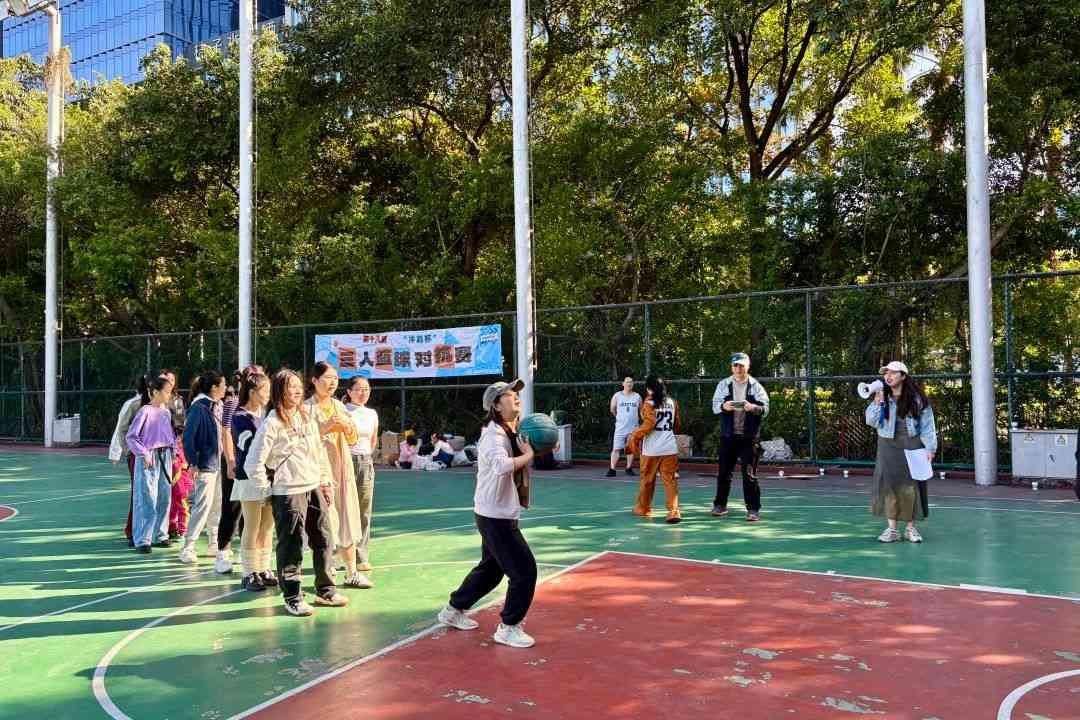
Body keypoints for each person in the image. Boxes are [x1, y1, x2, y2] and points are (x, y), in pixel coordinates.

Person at [437, 378, 538, 649]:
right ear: (496, 405)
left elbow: (519, 454)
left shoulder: (509, 431)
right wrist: (529, 455)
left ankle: (453, 610)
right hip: (495, 516)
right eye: (509, 395)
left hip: (495, 511)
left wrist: (537, 446)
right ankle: (509, 628)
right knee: (524, 571)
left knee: (491, 571)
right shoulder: (493, 436)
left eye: (516, 394)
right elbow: (502, 466)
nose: (516, 397)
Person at [245, 369, 348, 616]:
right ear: (280, 391)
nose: (297, 391)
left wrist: (324, 481)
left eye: (298, 386)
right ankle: (292, 595)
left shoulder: (306, 416)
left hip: (313, 486)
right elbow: (253, 463)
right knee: (291, 544)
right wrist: (266, 490)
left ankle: (326, 589)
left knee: (324, 538)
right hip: (288, 491)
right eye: (291, 387)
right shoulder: (272, 422)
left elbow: (318, 452)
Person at [304, 362, 370, 589]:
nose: (332, 382)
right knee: (323, 521)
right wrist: (326, 427)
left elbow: (352, 439)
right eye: (327, 378)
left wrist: (347, 428)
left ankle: (351, 572)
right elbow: (302, 441)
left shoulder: (340, 406)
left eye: (335, 378)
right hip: (318, 472)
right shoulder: (306, 408)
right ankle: (327, 572)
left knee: (347, 518)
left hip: (342, 470)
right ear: (314, 381)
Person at [866, 361, 937, 543]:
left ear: (903, 376)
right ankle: (892, 530)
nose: (888, 376)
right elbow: (871, 421)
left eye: (893, 373)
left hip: (913, 444)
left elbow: (928, 425)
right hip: (887, 445)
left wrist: (930, 448)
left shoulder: (917, 399)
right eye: (886, 373)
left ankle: (910, 529)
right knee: (889, 486)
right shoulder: (882, 396)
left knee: (912, 486)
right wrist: (877, 402)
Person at [214, 364, 264, 573]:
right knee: (231, 508)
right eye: (254, 376)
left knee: (251, 514)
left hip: (255, 466)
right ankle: (223, 553)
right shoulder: (233, 403)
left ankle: (249, 557)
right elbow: (226, 432)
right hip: (236, 462)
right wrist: (230, 461)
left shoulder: (264, 407)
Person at [230, 371, 277, 591]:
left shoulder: (266, 416)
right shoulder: (240, 417)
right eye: (264, 390)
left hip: (270, 476)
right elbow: (248, 447)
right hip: (249, 477)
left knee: (267, 526)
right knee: (252, 525)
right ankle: (249, 572)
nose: (268, 394)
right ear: (251, 392)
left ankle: (264, 568)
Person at [711, 352, 770, 521]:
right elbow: (715, 406)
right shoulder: (724, 384)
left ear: (747, 367)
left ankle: (753, 509)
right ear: (731, 367)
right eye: (735, 365)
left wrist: (753, 407)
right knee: (724, 473)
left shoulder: (755, 386)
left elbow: (765, 409)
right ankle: (720, 505)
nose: (738, 368)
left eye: (741, 365)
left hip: (749, 438)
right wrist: (724, 406)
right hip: (728, 436)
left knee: (749, 474)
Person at [179, 370, 227, 564]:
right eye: (223, 385)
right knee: (202, 506)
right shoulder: (199, 407)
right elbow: (188, 437)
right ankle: (188, 547)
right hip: (205, 464)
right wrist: (192, 462)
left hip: (218, 464)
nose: (226, 388)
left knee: (217, 505)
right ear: (214, 387)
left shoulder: (218, 406)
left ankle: (214, 542)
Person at [125, 373, 176, 553]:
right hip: (149, 458)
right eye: (167, 392)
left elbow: (170, 435)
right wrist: (144, 453)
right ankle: (142, 539)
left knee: (164, 497)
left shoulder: (166, 412)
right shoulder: (144, 411)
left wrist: (174, 452)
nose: (169, 395)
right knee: (146, 498)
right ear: (155, 392)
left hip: (165, 456)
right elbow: (131, 437)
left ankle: (160, 535)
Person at [627, 375, 682, 523]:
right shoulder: (672, 402)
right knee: (670, 481)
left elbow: (649, 424)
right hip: (669, 448)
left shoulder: (649, 403)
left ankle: (643, 508)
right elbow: (677, 425)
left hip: (651, 450)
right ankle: (674, 512)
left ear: (648, 389)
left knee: (647, 480)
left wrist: (634, 436)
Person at [343, 376, 378, 576]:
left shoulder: (372, 414)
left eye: (366, 389)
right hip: (345, 461)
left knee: (364, 510)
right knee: (344, 509)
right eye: (358, 389)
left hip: (365, 461)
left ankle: (361, 556)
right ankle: (339, 554)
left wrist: (366, 458)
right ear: (349, 392)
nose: (363, 393)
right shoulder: (342, 410)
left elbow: (373, 440)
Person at [110, 381, 144, 547]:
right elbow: (121, 428)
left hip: (160, 456)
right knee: (138, 494)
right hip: (137, 456)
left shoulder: (167, 403)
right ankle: (133, 531)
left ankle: (160, 531)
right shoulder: (133, 404)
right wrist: (119, 451)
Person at [607, 377, 641, 477]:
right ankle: (612, 469)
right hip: (620, 428)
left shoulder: (637, 396)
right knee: (616, 448)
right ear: (623, 384)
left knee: (630, 449)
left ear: (633, 384)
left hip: (633, 428)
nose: (629, 384)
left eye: (631, 382)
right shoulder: (617, 395)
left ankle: (629, 468)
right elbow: (612, 409)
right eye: (627, 382)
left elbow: (641, 410)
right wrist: (620, 418)